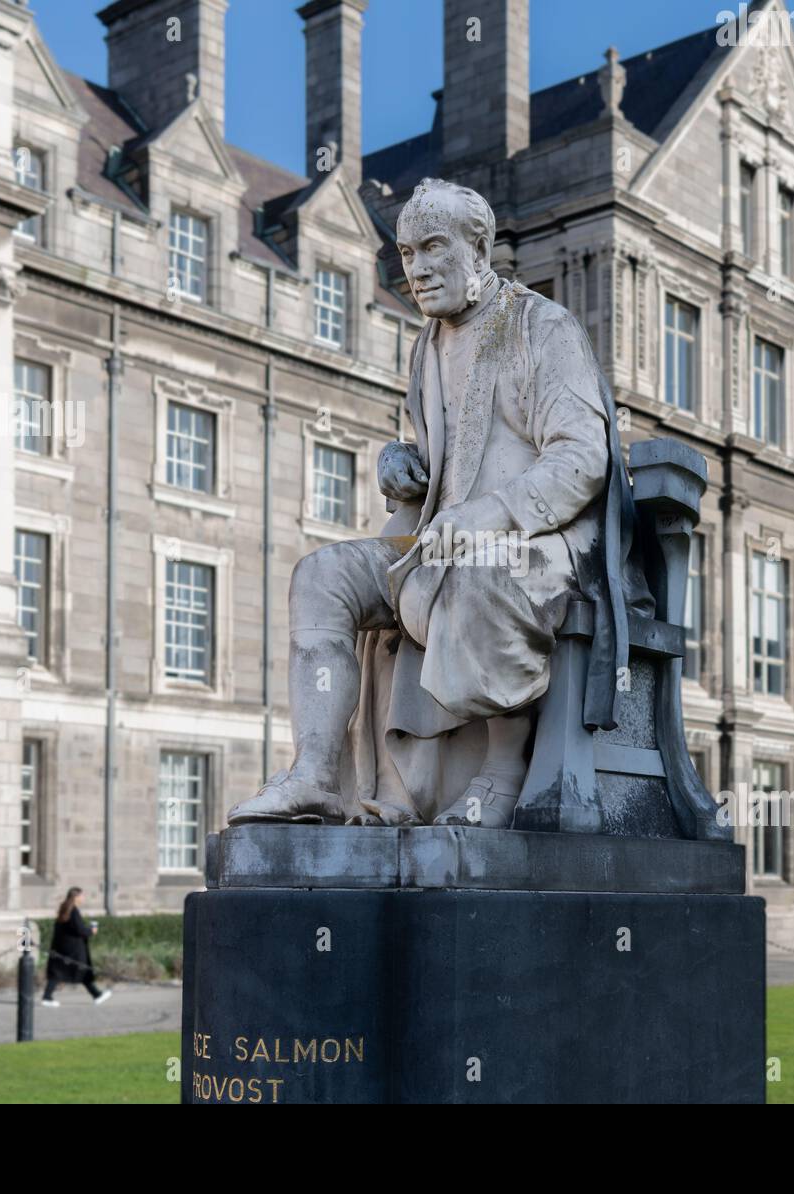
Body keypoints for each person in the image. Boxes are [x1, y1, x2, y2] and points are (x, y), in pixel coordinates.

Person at [226, 177, 654, 830]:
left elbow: (582, 458)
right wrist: (404, 465)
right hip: (433, 539)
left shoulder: (543, 327)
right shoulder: (428, 344)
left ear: (477, 247)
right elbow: (447, 463)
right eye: (405, 253)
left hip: (539, 544)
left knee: (482, 571)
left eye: (433, 247)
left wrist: (490, 517)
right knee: (321, 576)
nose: (417, 269)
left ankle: (502, 770)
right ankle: (314, 774)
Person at [41, 887, 112, 1007]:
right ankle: (96, 995)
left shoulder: (65, 908)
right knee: (81, 970)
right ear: (76, 897)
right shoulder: (73, 911)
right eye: (82, 896)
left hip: (64, 947)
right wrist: (91, 930)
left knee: (59, 973)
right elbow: (79, 930)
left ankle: (96, 994)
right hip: (74, 949)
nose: (83, 898)